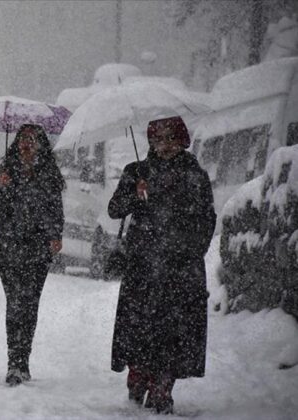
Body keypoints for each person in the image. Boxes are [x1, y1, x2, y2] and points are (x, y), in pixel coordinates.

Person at [108, 116, 216, 414]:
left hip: (181, 269)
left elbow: (206, 220)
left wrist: (190, 251)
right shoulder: (136, 171)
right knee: (139, 328)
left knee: (173, 332)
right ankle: (138, 376)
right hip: (143, 267)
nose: (165, 145)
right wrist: (134, 192)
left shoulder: (195, 175)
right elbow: (114, 209)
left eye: (171, 139)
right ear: (151, 142)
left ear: (183, 140)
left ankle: (162, 388)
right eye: (159, 139)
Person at [0, 124, 65, 386]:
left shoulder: (49, 174)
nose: (27, 144)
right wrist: (2, 187)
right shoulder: (2, 171)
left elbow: (55, 210)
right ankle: (14, 363)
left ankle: (23, 360)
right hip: (9, 248)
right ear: (16, 143)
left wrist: (55, 235)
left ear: (41, 144)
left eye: (33, 139)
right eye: (23, 139)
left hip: (38, 250)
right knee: (15, 302)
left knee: (30, 304)